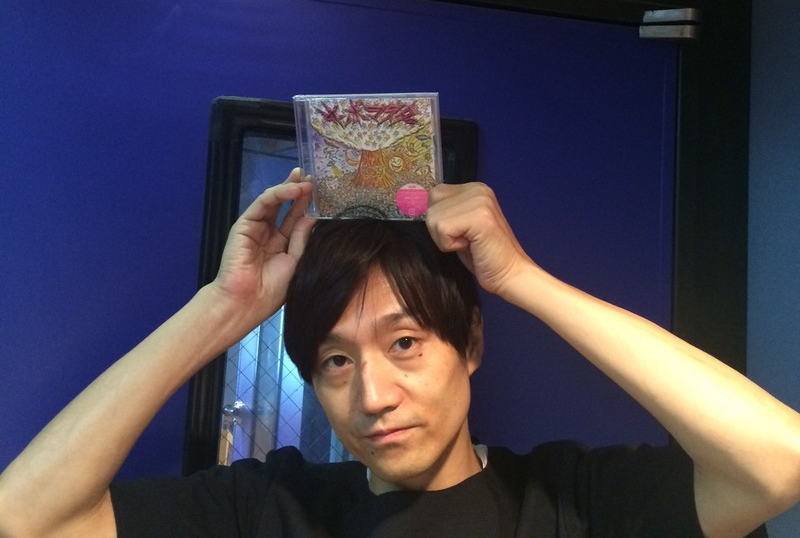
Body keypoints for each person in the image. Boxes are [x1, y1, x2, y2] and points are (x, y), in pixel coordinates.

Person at [1, 171, 799, 538]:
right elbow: (25, 519)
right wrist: (223, 310)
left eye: (405, 343)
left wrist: (521, 279)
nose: (372, 396)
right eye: (335, 362)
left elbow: (778, 462)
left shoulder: (570, 505)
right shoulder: (269, 508)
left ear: (470, 342)